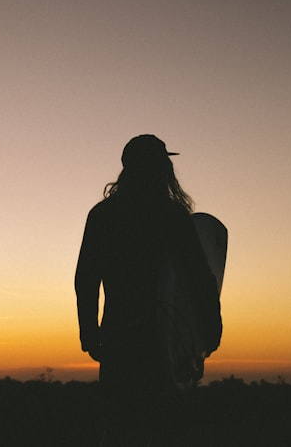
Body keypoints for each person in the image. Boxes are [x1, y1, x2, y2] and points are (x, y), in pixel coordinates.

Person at [75, 135, 221, 446]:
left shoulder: (103, 215)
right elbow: (199, 277)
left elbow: (86, 279)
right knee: (162, 430)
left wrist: (90, 333)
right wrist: (209, 328)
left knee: (120, 428)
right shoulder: (172, 217)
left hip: (119, 338)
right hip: (164, 342)